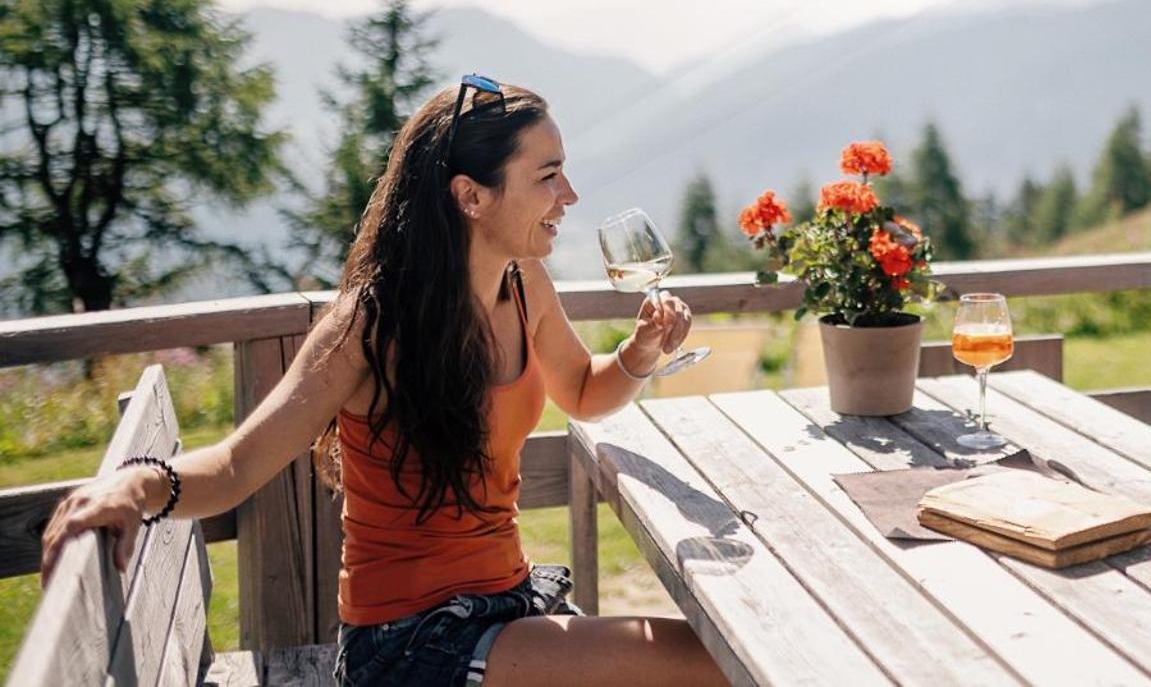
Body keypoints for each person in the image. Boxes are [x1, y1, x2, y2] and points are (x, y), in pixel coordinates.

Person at [40, 78, 726, 686]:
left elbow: (582, 389)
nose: (568, 196)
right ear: (470, 196)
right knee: (710, 662)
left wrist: (637, 354)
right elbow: (238, 463)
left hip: (505, 605)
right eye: (547, 175)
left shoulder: (524, 286)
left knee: (720, 656)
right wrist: (135, 483)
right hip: (410, 649)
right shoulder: (369, 325)